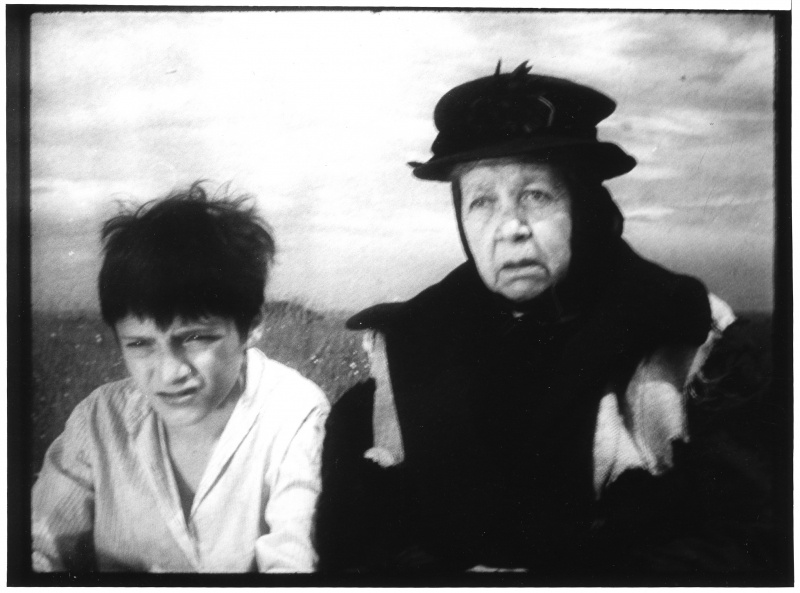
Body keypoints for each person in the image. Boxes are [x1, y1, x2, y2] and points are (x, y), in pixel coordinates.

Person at [315, 62, 774, 577]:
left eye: (536, 195)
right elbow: (353, 550)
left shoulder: (689, 339)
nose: (510, 227)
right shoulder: (410, 349)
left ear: (583, 204)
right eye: (481, 201)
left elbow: (753, 547)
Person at [32, 183, 330, 572]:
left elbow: (293, 559)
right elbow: (35, 548)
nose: (170, 372)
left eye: (195, 338)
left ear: (252, 325)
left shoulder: (295, 413)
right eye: (140, 344)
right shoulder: (98, 419)